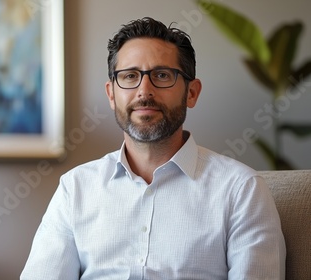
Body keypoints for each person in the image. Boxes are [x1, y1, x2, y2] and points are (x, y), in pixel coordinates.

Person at [20, 17, 285, 280]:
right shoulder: (75, 188)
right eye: (130, 76)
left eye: (161, 75)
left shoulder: (241, 190)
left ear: (191, 93)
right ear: (112, 94)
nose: (144, 91)